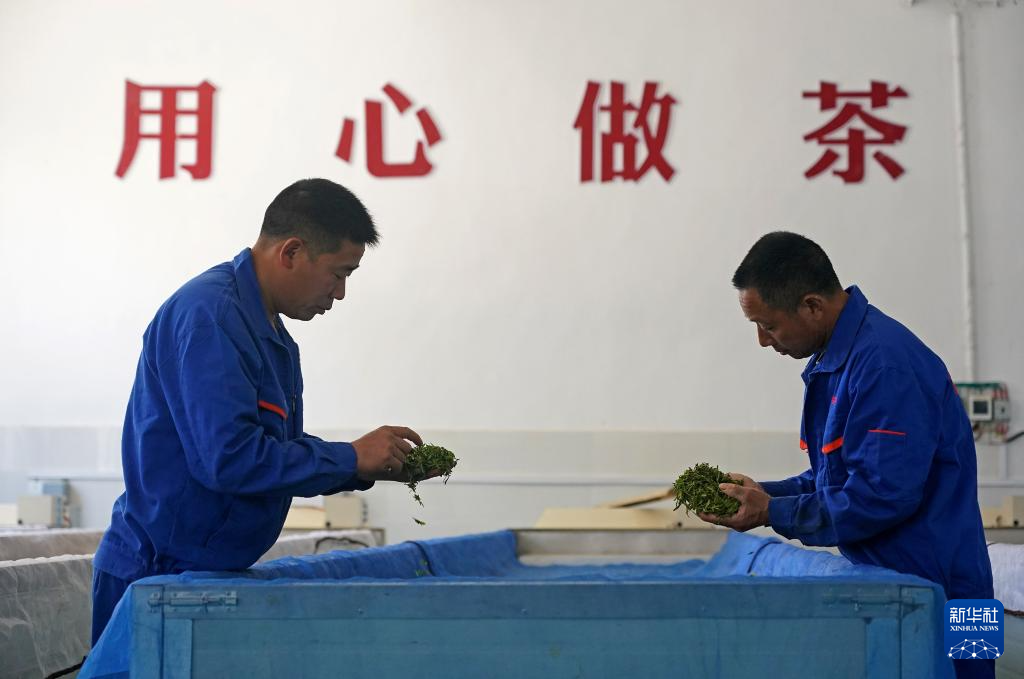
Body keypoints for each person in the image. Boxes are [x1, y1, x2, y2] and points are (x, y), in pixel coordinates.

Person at [91, 178, 427, 645]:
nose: (341, 292)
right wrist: (350, 457)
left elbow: (272, 451)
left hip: (202, 572)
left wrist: (363, 466)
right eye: (339, 273)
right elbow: (230, 460)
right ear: (292, 252)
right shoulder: (211, 317)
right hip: (157, 575)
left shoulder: (272, 335)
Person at [704, 231, 993, 678]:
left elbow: (881, 495)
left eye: (769, 325)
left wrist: (771, 512)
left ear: (812, 306)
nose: (762, 340)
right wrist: (763, 494)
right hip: (906, 583)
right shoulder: (841, 361)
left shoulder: (885, 365)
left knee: (969, 674)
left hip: (952, 592)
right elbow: (836, 477)